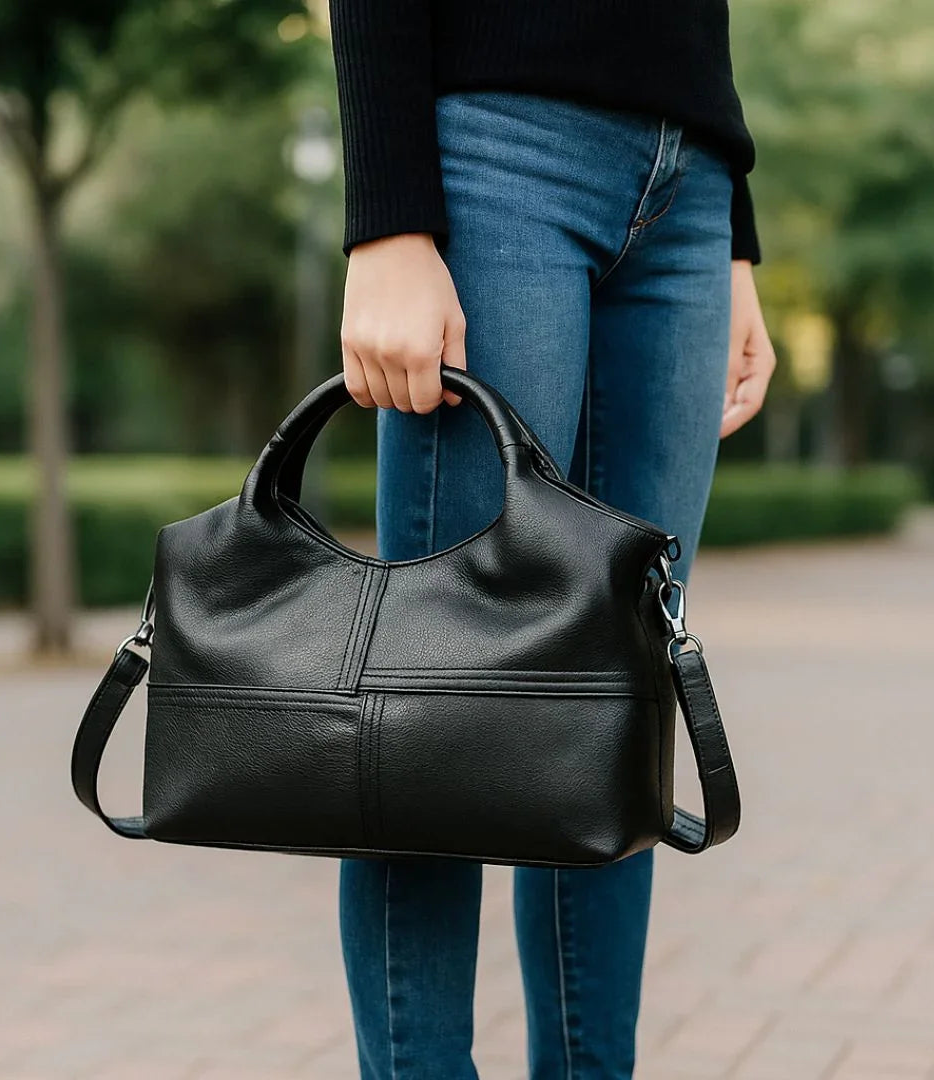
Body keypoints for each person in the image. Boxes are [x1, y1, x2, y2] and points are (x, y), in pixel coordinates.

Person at [326, 3, 776, 1077]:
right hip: (500, 146)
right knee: (437, 706)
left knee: (621, 706)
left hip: (689, 184)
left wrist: (737, 237)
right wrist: (388, 219)